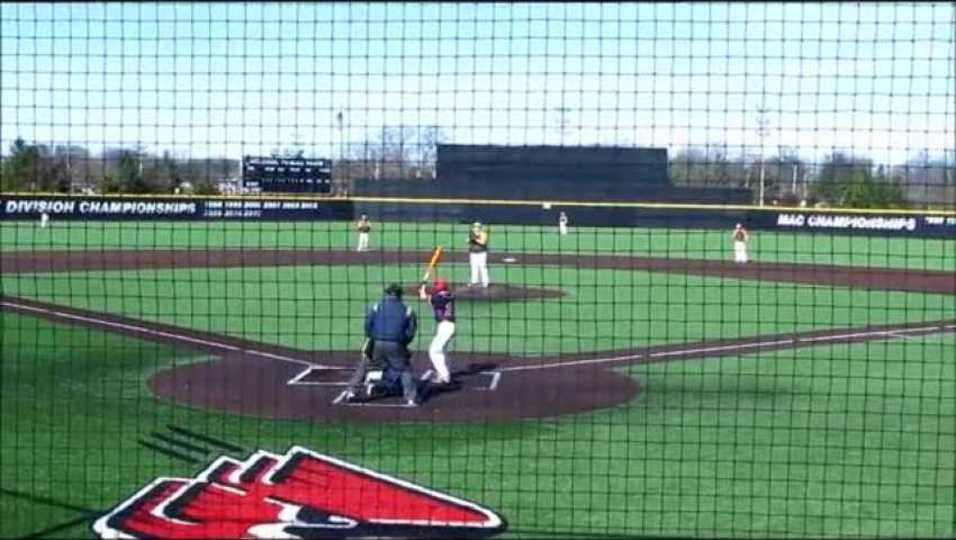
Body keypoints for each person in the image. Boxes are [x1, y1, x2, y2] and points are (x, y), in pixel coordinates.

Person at [343, 283, 419, 406]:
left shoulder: (377, 306)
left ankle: (351, 391)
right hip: (396, 344)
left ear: (387, 294)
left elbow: (368, 324)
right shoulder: (408, 310)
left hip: (377, 343)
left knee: (364, 365)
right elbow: (411, 332)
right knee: (404, 369)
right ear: (400, 295)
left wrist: (372, 337)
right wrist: (402, 343)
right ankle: (410, 398)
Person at [418, 277, 456, 385]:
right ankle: (444, 373)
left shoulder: (438, 298)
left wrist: (422, 288)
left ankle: (445, 376)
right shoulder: (449, 295)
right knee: (442, 350)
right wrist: (423, 289)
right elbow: (431, 299)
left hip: (445, 327)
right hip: (448, 326)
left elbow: (423, 297)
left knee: (434, 351)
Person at [467, 222, 490, 287]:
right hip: (473, 253)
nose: (476, 228)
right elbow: (468, 241)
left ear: (480, 227)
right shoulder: (471, 233)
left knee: (482, 267)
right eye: (475, 227)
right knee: (474, 267)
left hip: (481, 253)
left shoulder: (483, 234)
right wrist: (470, 240)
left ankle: (485, 282)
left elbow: (483, 242)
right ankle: (474, 281)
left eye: (477, 227)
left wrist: (475, 239)